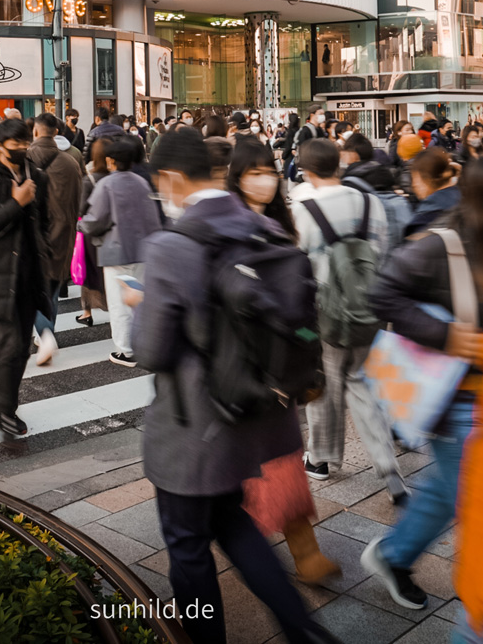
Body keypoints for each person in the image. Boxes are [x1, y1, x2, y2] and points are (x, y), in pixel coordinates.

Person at [127, 129, 339, 644]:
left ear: (172, 178)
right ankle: (303, 629)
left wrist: (143, 307)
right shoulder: (262, 227)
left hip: (194, 429)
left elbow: (151, 351)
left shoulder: (172, 246)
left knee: (187, 543)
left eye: (161, 185)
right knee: (232, 522)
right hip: (259, 416)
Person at [363, 156, 483, 611]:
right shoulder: (444, 243)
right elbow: (381, 293)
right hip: (454, 396)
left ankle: (393, 554)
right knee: (473, 497)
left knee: (450, 488)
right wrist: (446, 335)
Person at [227, 137, 340, 583]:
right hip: (243, 367)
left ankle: (303, 553)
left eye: (269, 170)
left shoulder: (282, 225)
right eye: (255, 172)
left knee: (282, 460)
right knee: (251, 467)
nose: (265, 180)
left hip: (280, 368)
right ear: (237, 178)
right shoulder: (225, 228)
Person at [291, 139, 406, 502]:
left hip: (325, 313)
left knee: (324, 379)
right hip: (368, 309)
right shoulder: (369, 201)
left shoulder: (303, 209)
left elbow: (298, 266)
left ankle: (322, 459)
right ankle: (389, 468)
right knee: (361, 381)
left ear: (306, 170)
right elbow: (381, 253)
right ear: (340, 164)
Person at [0, 118, 51, 436]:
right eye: (15, 144)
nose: (22, 148)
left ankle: (6, 406)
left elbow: (43, 220)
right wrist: (16, 202)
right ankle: (4, 411)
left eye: (25, 142)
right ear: (0, 146)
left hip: (30, 274)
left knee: (21, 348)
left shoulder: (37, 177)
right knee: (11, 345)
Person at [80, 136, 161, 367]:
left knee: (119, 303)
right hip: (142, 250)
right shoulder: (141, 183)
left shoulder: (107, 184)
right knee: (138, 299)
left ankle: (125, 351)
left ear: (110, 161)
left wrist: (81, 225)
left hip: (116, 252)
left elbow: (95, 220)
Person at [28, 113, 82, 364]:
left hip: (33, 235)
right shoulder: (71, 162)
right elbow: (78, 202)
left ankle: (45, 334)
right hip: (64, 233)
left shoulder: (25, 158)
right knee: (51, 288)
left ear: (36, 132)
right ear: (56, 132)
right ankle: (46, 334)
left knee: (31, 287)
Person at [340, 133, 413, 256]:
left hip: (370, 249)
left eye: (345, 150)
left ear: (353, 154)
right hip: (396, 247)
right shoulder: (384, 172)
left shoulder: (350, 182)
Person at [76, 138, 109, 326]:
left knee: (88, 272)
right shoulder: (115, 177)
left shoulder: (89, 178)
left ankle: (87, 312)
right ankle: (113, 306)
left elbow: (81, 210)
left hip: (91, 233)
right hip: (111, 232)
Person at [403, 147, 461, 237]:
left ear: (426, 179)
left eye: (414, 179)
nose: (413, 185)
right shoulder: (467, 201)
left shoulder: (424, 219)